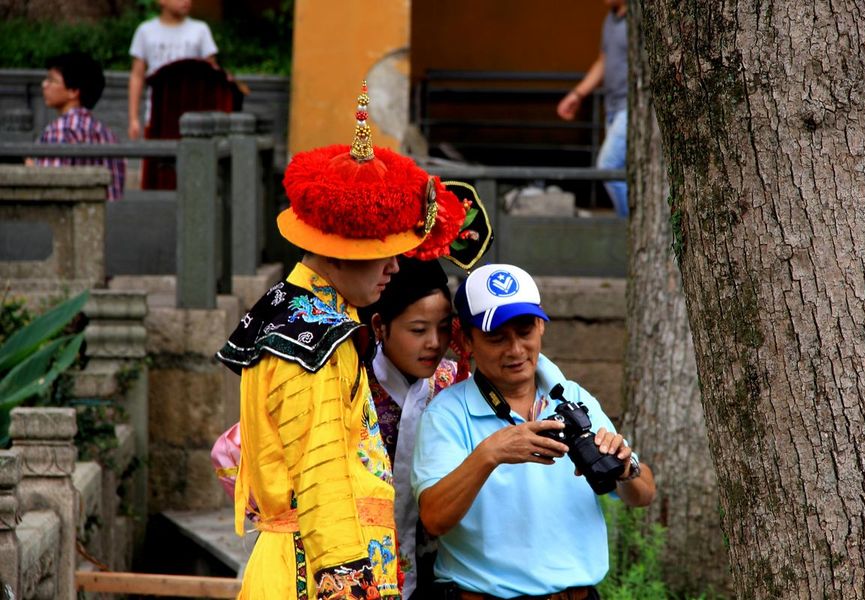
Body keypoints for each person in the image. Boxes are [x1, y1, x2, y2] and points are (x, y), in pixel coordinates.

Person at [215, 84, 466, 600]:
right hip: (316, 573)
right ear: (341, 250)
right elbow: (325, 485)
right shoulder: (314, 342)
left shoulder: (294, 308)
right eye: (384, 253)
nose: (395, 268)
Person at [411, 263, 656, 599]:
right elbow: (434, 519)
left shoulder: (574, 397)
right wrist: (490, 453)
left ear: (541, 325)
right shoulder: (447, 414)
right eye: (496, 337)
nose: (514, 350)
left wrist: (628, 468)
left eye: (524, 331)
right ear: (466, 340)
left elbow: (644, 494)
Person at [360, 257, 462, 600]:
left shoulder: (455, 382)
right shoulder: (351, 387)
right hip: (362, 565)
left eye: (444, 327)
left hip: (441, 569)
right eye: (418, 330)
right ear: (379, 326)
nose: (434, 342)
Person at [556, 0, 629, 217]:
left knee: (608, 166)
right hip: (613, 107)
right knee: (622, 170)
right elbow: (603, 61)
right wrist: (577, 94)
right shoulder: (611, 18)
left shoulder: (641, 19)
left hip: (631, 107)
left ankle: (629, 225)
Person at [31, 52, 125, 201]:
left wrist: (29, 164)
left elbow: (48, 185)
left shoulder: (60, 130)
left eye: (52, 80)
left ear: (73, 92)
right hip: (107, 219)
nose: (44, 84)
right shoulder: (107, 134)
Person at [127, 0, 218, 140]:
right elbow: (137, 76)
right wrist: (133, 118)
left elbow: (213, 74)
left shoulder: (201, 30)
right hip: (157, 114)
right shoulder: (145, 31)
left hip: (194, 116)